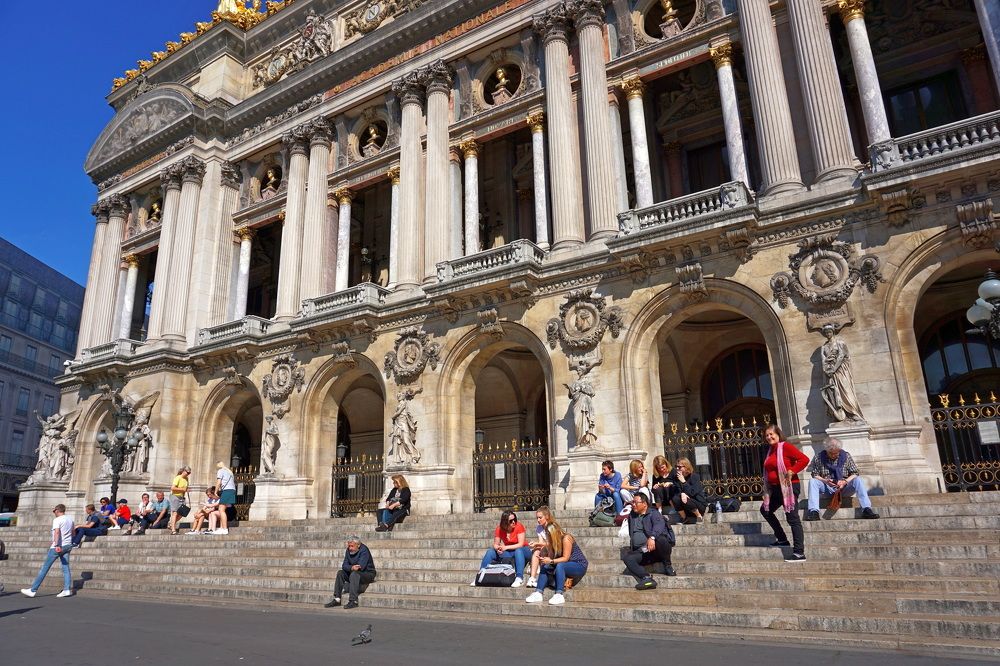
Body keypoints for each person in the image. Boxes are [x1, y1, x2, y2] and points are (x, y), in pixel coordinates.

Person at [760, 424, 810, 562]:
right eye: (767, 435)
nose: (769, 437)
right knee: (765, 510)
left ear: (778, 434)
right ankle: (782, 539)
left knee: (792, 518)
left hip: (789, 487)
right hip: (775, 489)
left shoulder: (785, 446)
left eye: (771, 434)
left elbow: (804, 459)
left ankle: (799, 553)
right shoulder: (770, 450)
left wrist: (792, 470)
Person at [525, 506, 588, 606]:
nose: (547, 537)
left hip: (578, 564)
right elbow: (551, 557)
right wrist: (546, 560)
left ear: (553, 534)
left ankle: (559, 594)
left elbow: (565, 558)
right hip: (564, 563)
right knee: (545, 566)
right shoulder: (552, 541)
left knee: (560, 565)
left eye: (549, 535)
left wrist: (551, 561)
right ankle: (538, 592)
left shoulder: (566, 538)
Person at [806, 438, 879, 521]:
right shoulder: (819, 457)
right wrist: (825, 481)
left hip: (845, 487)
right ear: (826, 450)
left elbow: (855, 473)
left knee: (858, 479)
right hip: (828, 488)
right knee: (813, 481)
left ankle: (866, 509)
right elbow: (814, 475)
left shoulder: (846, 456)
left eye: (836, 453)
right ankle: (814, 511)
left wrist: (845, 481)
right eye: (831, 453)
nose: (834, 455)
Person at [621, 492, 676, 589]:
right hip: (642, 551)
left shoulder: (653, 513)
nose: (633, 504)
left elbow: (659, 526)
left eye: (636, 502)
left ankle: (667, 565)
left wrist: (652, 537)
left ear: (644, 504)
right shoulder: (632, 516)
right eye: (632, 502)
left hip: (655, 549)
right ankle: (646, 578)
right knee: (628, 558)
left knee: (661, 539)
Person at [21, 504, 75, 598]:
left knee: (45, 568)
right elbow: (73, 532)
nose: (54, 513)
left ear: (57, 510)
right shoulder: (70, 519)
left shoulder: (57, 520)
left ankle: (33, 590)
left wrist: (57, 544)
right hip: (67, 545)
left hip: (57, 547)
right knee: (65, 568)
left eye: (54, 511)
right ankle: (66, 589)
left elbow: (57, 532)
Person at [474, 511, 531, 587]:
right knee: (490, 552)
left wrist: (505, 547)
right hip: (509, 552)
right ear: (505, 522)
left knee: (518, 551)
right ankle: (481, 575)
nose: (514, 522)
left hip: (523, 551)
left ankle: (519, 577)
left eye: (515, 519)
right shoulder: (499, 529)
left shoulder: (519, 526)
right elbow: (495, 544)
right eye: (511, 521)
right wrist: (498, 548)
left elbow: (520, 544)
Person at [324, 536, 376, 609]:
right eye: (349, 546)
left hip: (367, 574)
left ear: (358, 545)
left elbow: (361, 567)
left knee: (354, 574)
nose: (350, 548)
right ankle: (337, 599)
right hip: (353, 572)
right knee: (340, 573)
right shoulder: (348, 550)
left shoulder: (364, 550)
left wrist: (350, 567)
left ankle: (353, 601)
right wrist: (351, 567)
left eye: (352, 546)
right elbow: (344, 565)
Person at [670, 458, 707, 524]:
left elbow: (693, 493)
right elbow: (677, 491)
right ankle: (684, 518)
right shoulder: (676, 478)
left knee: (686, 498)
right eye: (676, 467)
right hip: (686, 507)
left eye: (679, 467)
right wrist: (682, 493)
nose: (677, 469)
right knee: (675, 498)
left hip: (698, 505)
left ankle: (699, 517)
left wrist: (684, 482)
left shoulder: (694, 477)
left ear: (686, 467)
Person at [214, 461, 237, 535]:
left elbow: (219, 482)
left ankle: (224, 528)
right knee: (223, 510)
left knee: (221, 510)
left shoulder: (220, 471)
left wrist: (215, 491)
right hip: (232, 490)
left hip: (227, 491)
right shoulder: (229, 472)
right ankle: (221, 528)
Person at [168, 465, 192, 535]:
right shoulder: (178, 478)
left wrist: (186, 490)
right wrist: (183, 489)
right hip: (175, 496)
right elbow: (172, 488)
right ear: (184, 471)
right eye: (188, 472)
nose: (188, 474)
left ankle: (171, 525)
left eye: (189, 473)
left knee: (182, 513)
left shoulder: (186, 479)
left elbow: (185, 488)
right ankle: (173, 530)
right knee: (175, 513)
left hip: (182, 497)